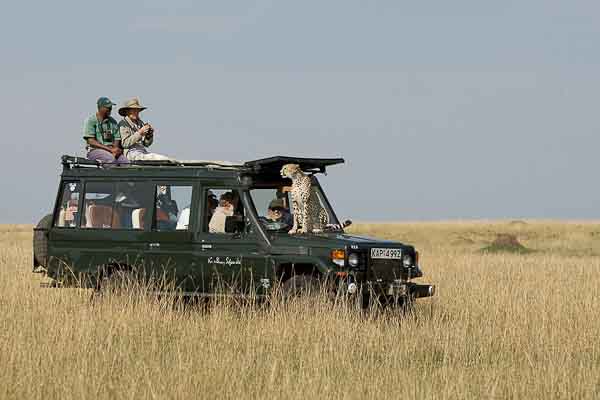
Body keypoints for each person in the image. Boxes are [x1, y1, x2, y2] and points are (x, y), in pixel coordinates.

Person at [83, 97, 128, 164]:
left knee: (126, 162)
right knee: (110, 159)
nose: (110, 109)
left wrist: (115, 149)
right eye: (108, 107)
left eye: (110, 107)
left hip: (111, 150)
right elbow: (91, 141)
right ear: (100, 108)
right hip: (95, 150)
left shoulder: (113, 122)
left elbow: (117, 138)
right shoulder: (91, 120)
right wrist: (110, 149)